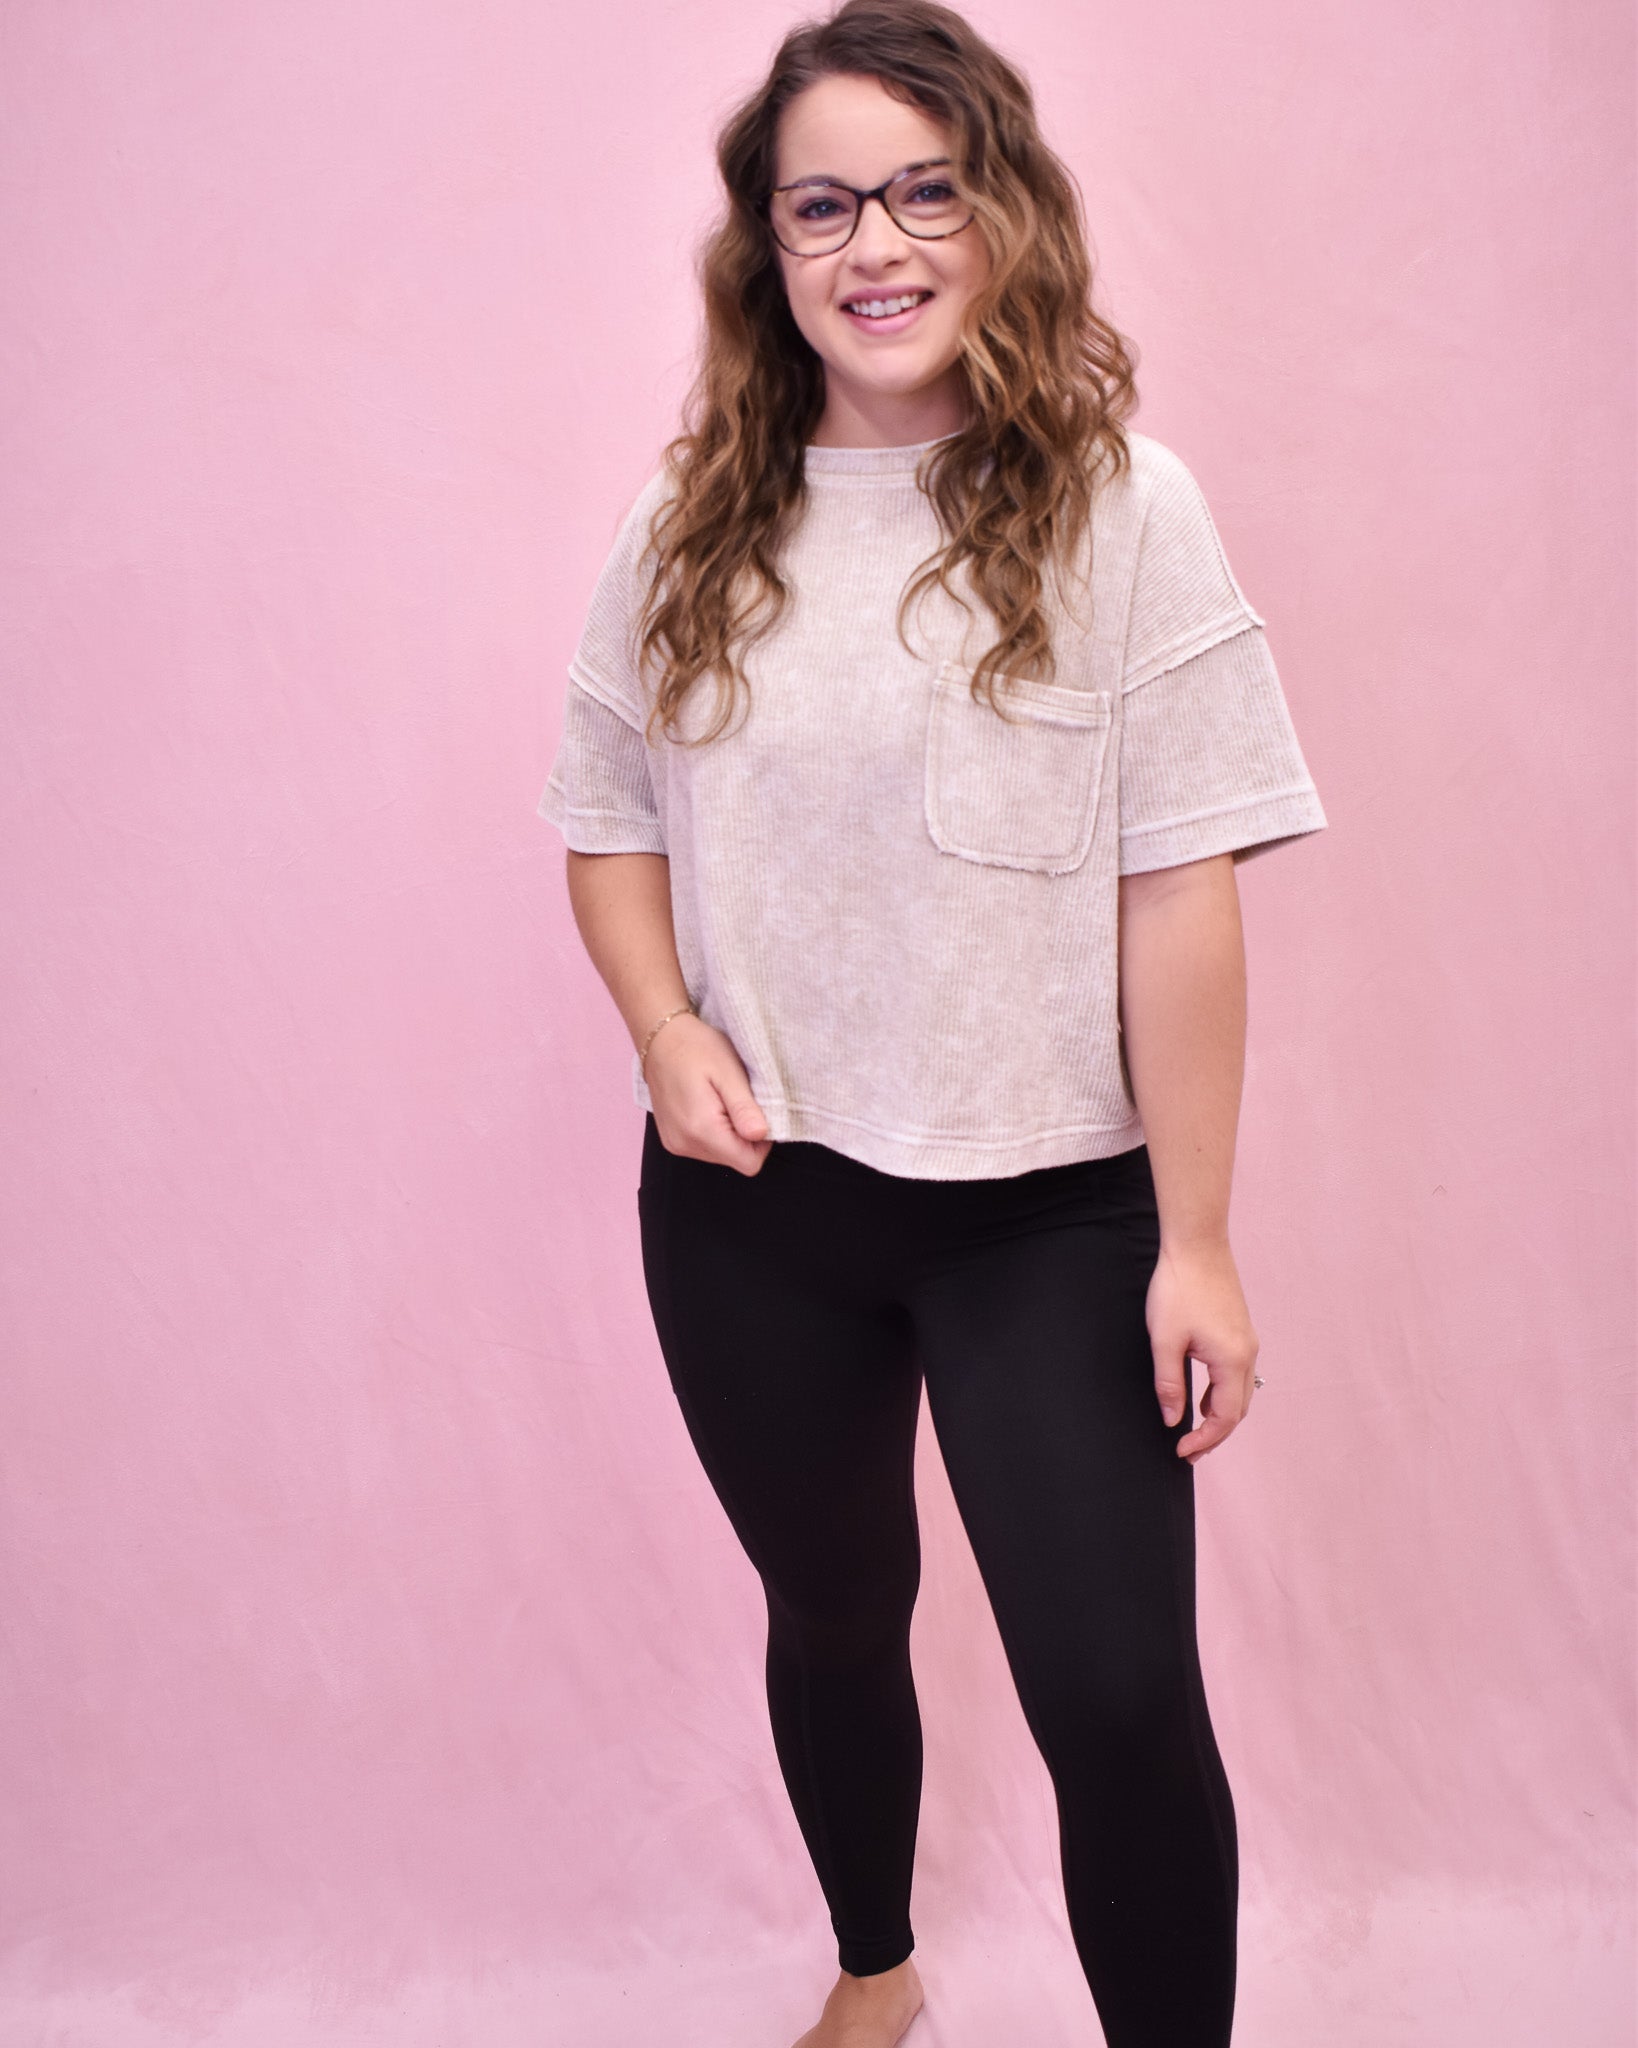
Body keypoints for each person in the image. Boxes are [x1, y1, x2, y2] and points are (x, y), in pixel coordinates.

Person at [537, 4, 1327, 2042]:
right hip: (754, 1205)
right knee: (833, 1613)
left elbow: (1181, 889)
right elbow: (609, 820)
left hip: (1045, 1213)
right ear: (768, 246)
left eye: (922, 191)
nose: (873, 244)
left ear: (1002, 216)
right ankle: (876, 1972)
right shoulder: (688, 518)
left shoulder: (1123, 509)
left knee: (1121, 1696)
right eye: (821, 206)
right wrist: (660, 1027)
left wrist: (1199, 1237)